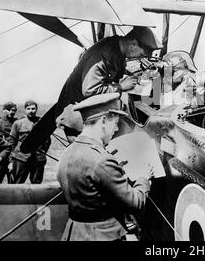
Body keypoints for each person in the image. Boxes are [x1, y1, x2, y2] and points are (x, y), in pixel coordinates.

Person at [20, 26, 162, 154]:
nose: (141, 58)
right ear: (133, 45)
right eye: (142, 54)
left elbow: (112, 70)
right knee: (90, 159)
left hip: (92, 113)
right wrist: (121, 87)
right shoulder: (102, 54)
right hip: (77, 116)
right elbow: (90, 90)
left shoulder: (116, 49)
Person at [57, 93, 153, 241]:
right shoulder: (102, 160)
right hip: (102, 235)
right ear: (103, 121)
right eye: (115, 123)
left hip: (74, 232)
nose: (115, 129)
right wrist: (143, 178)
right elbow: (135, 203)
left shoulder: (66, 153)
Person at [8, 100, 51, 184]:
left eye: (33, 108)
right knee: (17, 183)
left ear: (36, 109)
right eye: (28, 108)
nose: (31, 111)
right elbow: (11, 143)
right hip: (20, 158)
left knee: (36, 183)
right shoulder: (18, 123)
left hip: (37, 159)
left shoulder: (42, 122)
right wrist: (10, 161)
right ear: (25, 110)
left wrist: (42, 152)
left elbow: (47, 141)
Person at [0, 102, 17, 183]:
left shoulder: (17, 122)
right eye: (10, 110)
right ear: (4, 110)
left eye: (14, 110)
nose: (12, 112)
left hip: (13, 156)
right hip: (2, 157)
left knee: (12, 182)